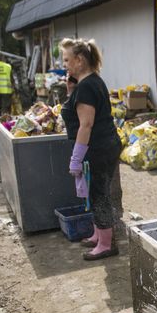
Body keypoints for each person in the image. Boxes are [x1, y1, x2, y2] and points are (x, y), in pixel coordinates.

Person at [59, 38, 122, 260]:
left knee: (99, 194)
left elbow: (86, 125)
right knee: (97, 192)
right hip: (104, 145)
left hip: (99, 148)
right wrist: (71, 91)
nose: (64, 64)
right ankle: (98, 235)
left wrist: (75, 158)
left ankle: (106, 244)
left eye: (67, 59)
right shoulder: (89, 82)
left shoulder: (87, 86)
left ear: (79, 60)